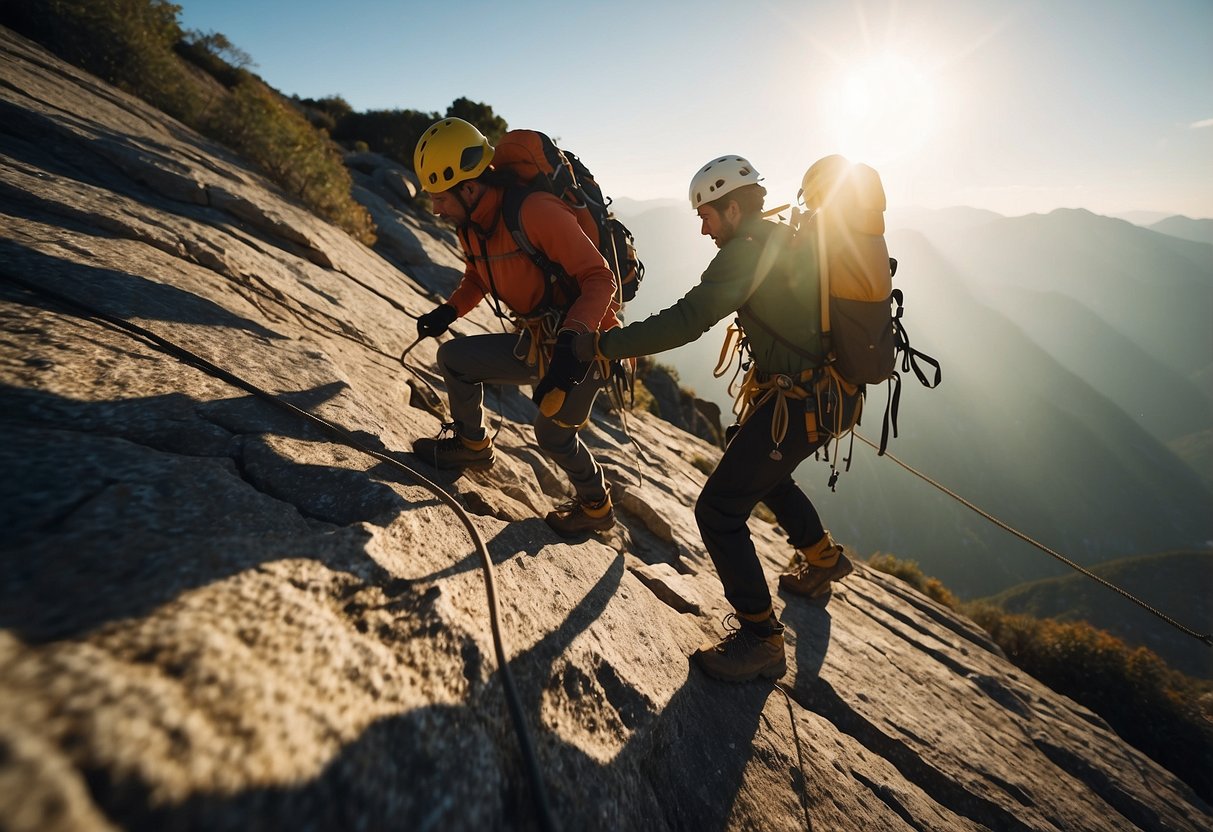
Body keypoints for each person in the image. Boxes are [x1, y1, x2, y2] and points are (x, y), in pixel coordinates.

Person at [571, 156, 855, 682]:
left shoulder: (745, 253)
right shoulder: (779, 236)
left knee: (719, 510)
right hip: (821, 396)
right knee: (765, 472)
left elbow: (688, 318)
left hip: (800, 402)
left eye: (707, 215)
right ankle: (823, 560)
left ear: (731, 206)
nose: (703, 227)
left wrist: (605, 345)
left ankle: (761, 640)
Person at [410, 117, 620, 537]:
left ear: (468, 187)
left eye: (440, 197)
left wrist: (571, 349)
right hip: (539, 341)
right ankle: (472, 445)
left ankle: (596, 505)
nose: (435, 208)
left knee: (552, 433)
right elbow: (477, 278)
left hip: (588, 344)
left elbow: (600, 280)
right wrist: (449, 312)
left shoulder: (535, 212)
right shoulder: (471, 226)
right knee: (455, 359)